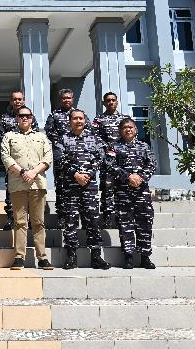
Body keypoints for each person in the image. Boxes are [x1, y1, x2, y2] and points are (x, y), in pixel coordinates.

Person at [54, 109, 111, 270]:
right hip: (70, 188)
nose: (78, 121)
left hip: (90, 187)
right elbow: (60, 159)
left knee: (93, 221)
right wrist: (76, 174)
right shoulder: (62, 139)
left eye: (81, 118)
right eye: (75, 118)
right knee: (71, 223)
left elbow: (101, 158)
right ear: (69, 121)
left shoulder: (94, 138)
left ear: (85, 121)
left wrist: (89, 173)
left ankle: (96, 256)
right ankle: (71, 256)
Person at [0, 106, 53, 270]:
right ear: (17, 118)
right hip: (18, 185)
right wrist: (23, 172)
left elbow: (48, 157)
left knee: (38, 222)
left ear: (32, 118)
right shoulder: (9, 136)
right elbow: (5, 157)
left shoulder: (41, 137)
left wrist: (33, 172)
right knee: (20, 222)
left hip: (37, 184)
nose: (24, 118)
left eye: (27, 116)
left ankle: (42, 257)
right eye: (21, 116)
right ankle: (19, 257)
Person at [111, 117, 156, 270]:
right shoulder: (114, 148)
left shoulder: (144, 146)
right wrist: (128, 177)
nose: (128, 129)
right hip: (123, 192)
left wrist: (140, 177)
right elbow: (110, 165)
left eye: (131, 127)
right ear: (120, 131)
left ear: (136, 130)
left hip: (142, 192)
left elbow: (152, 164)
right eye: (125, 128)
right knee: (125, 224)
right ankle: (129, 257)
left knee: (145, 224)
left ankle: (145, 257)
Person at [45, 88, 92, 233]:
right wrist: (63, 142)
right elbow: (49, 130)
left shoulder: (80, 114)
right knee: (61, 187)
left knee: (83, 187)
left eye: (69, 98)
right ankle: (62, 216)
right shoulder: (54, 114)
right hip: (63, 156)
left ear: (73, 99)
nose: (66, 100)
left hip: (80, 157)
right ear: (60, 100)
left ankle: (84, 219)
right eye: (64, 98)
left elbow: (88, 129)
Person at [0, 90, 40, 230]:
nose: (17, 101)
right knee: (11, 191)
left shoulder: (30, 116)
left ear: (24, 100)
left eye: (20, 99)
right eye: (15, 99)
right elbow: (3, 140)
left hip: (30, 162)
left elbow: (36, 137)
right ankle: (11, 218)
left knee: (30, 190)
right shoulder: (5, 118)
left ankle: (30, 219)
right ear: (11, 101)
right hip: (13, 162)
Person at [91, 92, 127, 229]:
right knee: (107, 189)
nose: (111, 102)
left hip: (123, 160)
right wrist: (107, 148)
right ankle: (106, 217)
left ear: (117, 102)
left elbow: (130, 136)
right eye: (108, 100)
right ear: (104, 103)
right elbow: (95, 137)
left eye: (113, 100)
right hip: (107, 160)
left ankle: (121, 216)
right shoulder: (99, 120)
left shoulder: (125, 119)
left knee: (122, 189)